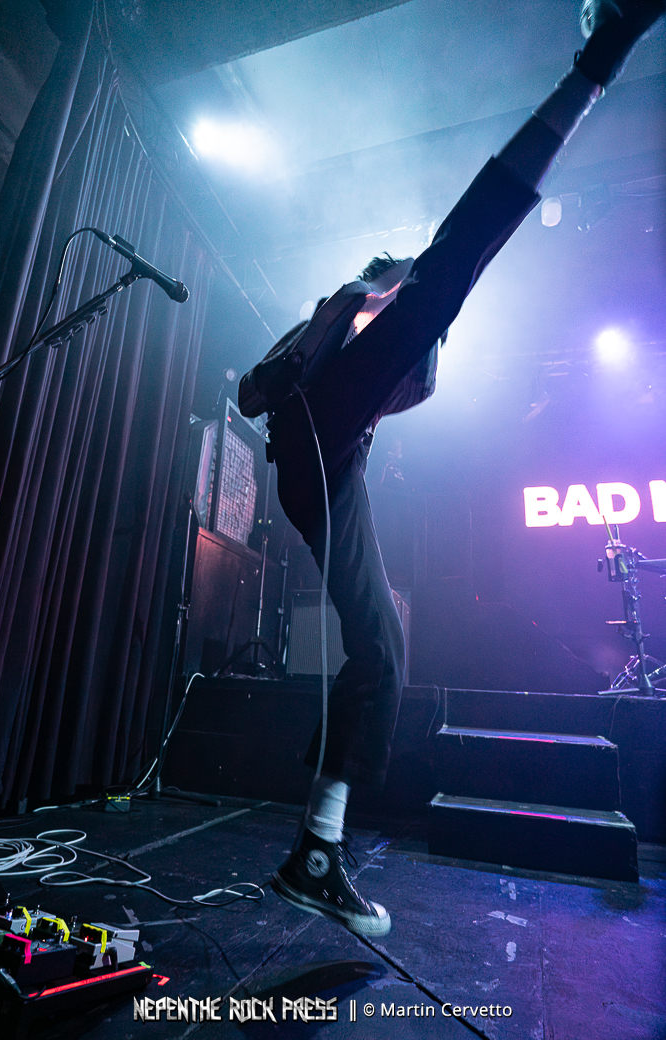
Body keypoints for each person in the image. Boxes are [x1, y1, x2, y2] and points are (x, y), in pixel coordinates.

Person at [238, 0, 665, 938]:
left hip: (331, 470)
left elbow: (419, 371)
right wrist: (348, 310)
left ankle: (317, 848)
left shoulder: (390, 353)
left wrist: (405, 313)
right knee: (464, 247)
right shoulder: (335, 316)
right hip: (314, 442)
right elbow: (251, 391)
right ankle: (601, 57)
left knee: (383, 648)